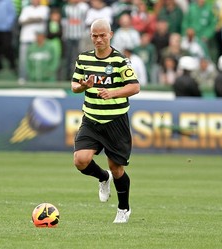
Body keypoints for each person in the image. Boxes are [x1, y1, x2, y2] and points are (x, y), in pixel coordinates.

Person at [71, 18, 140, 223]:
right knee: (80, 160)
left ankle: (124, 209)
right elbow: (74, 85)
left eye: (102, 35)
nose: (98, 39)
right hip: (91, 119)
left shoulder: (120, 60)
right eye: (94, 35)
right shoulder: (84, 58)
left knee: (117, 168)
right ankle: (103, 177)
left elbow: (134, 87)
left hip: (115, 121)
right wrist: (84, 85)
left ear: (110, 35)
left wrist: (114, 93)